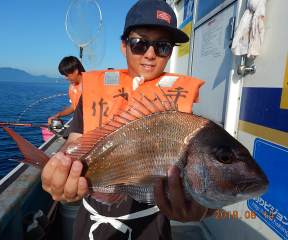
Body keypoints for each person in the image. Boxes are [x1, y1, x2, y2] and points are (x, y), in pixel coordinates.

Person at [42, 0, 216, 239]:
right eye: (139, 44)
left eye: (162, 46)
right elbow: (74, 143)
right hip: (91, 220)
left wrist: (202, 206)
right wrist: (61, 175)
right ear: (124, 46)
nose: (150, 54)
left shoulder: (178, 108)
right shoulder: (92, 94)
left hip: (151, 226)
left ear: (170, 52)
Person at [48, 56, 85, 124]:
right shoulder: (73, 86)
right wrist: (57, 115)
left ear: (76, 71)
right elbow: (73, 107)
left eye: (67, 75)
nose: (66, 78)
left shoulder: (90, 85)